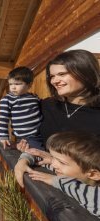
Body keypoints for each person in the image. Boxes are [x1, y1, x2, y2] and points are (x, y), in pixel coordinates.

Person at [14, 49, 100, 187]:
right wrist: (27, 153)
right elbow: (35, 137)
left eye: (61, 74)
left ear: (85, 73)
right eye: (52, 76)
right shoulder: (47, 105)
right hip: (46, 187)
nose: (55, 81)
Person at [28, 131, 100, 218]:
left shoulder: (96, 198)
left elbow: (90, 194)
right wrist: (26, 159)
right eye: (53, 157)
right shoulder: (67, 171)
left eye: (61, 162)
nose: (54, 164)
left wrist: (55, 180)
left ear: (93, 174)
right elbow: (40, 158)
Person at [0, 66, 43, 149]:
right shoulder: (7, 100)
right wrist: (3, 136)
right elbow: (3, 119)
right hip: (23, 137)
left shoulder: (34, 97)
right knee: (36, 151)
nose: (13, 87)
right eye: (10, 84)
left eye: (17, 84)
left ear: (29, 85)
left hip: (40, 133)